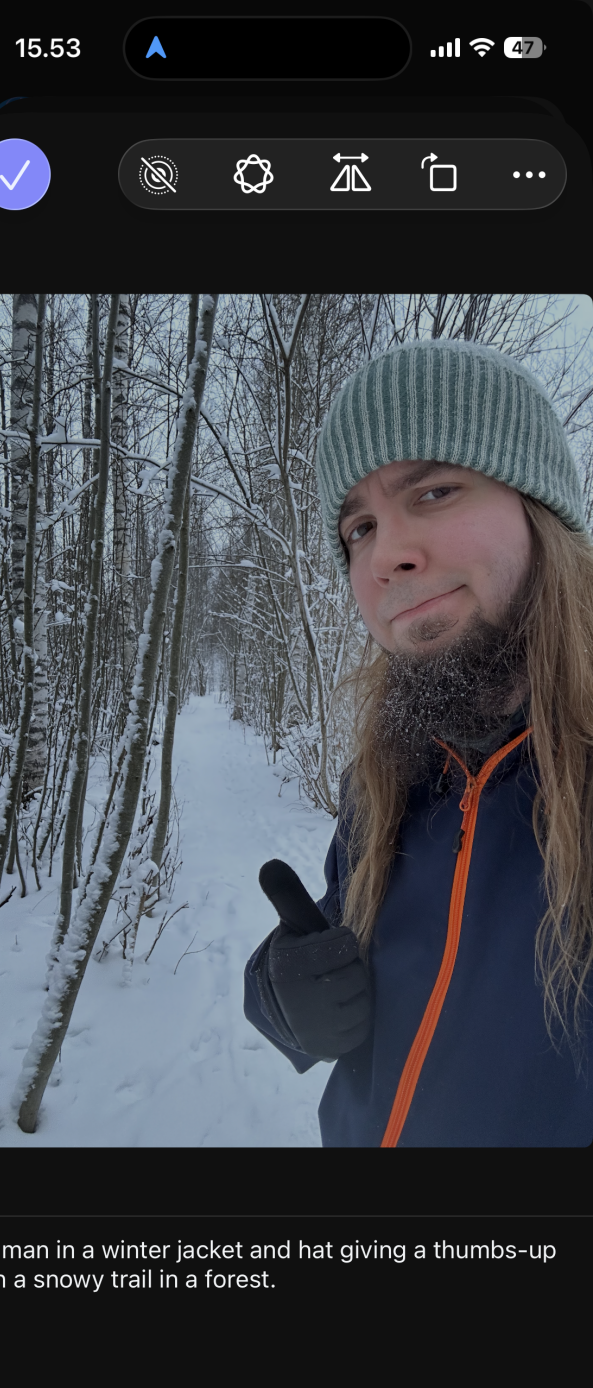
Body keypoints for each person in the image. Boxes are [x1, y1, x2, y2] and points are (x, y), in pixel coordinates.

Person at [243, 336, 593, 1147]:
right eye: (359, 527)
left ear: (541, 511)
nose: (385, 556)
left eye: (434, 491)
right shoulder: (391, 774)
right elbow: (335, 931)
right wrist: (284, 992)